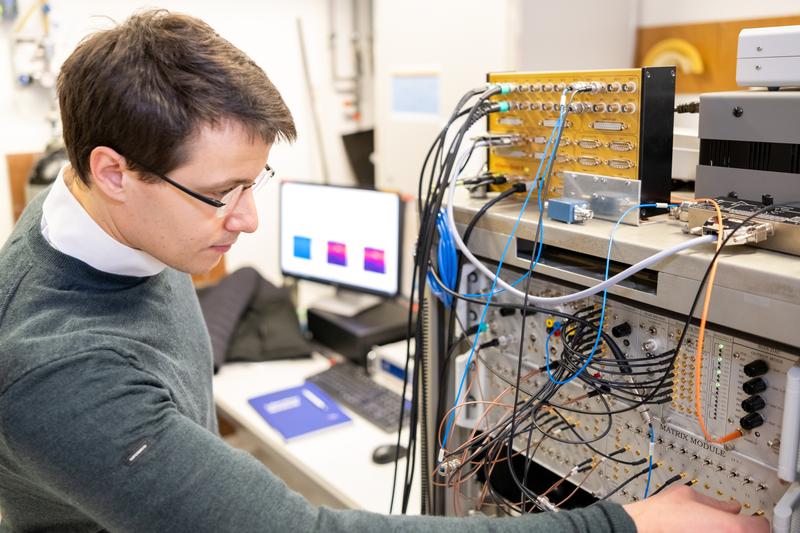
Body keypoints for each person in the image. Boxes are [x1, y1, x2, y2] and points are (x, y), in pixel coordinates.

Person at [0, 9, 769, 533]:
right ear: (112, 170)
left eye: (253, 183)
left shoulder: (83, 207)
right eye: (220, 193)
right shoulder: (58, 372)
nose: (247, 220)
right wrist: (623, 522)